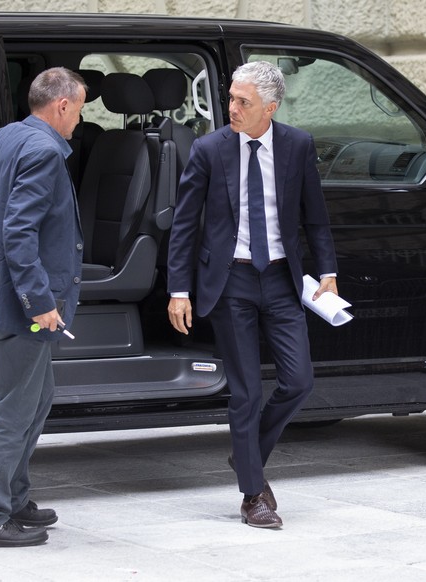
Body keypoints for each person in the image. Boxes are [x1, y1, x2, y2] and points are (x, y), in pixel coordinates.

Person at [167, 61, 338, 529]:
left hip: (283, 280)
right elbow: (184, 226)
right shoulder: (209, 149)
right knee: (244, 392)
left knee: (299, 381)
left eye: (243, 102)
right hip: (231, 283)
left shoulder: (297, 145)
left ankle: (247, 457)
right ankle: (252, 495)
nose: (233, 108)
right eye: (231, 98)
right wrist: (178, 289)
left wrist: (329, 272)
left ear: (271, 107)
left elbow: (315, 217)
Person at [0, 67, 86, 548]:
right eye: (80, 109)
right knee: (13, 411)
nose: (79, 121)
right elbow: (19, 231)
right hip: (23, 305)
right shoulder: (46, 151)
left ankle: (13, 499)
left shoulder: (6, 137)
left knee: (37, 400)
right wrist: (39, 302)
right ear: (62, 105)